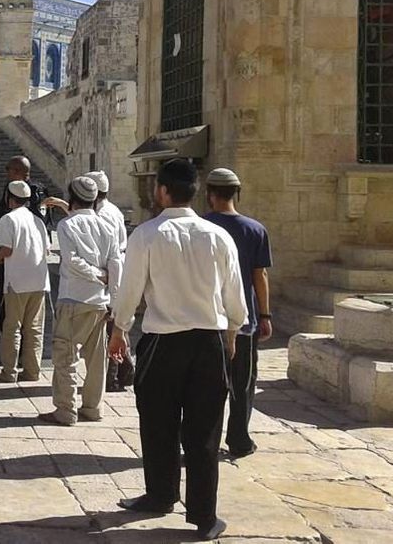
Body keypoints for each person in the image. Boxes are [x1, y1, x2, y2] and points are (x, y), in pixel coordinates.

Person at [109, 159, 248, 542]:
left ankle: (161, 494)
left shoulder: (147, 235)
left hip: (162, 342)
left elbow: (130, 290)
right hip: (207, 342)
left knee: (157, 422)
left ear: (163, 191)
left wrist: (119, 330)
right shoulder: (218, 236)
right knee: (205, 431)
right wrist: (233, 330)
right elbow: (233, 293)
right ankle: (204, 516)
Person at [38, 176, 122, 426]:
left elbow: (71, 260)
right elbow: (116, 263)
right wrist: (114, 300)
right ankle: (93, 407)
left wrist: (97, 275)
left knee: (66, 355)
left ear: (72, 197)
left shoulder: (67, 225)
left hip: (74, 297)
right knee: (97, 359)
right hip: (99, 301)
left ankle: (65, 409)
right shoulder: (106, 226)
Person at [203, 168, 273, 460]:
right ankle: (239, 439)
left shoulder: (202, 227)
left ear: (209, 194)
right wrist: (265, 315)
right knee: (242, 383)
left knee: (207, 386)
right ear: (237, 193)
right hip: (244, 321)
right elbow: (260, 276)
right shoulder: (255, 230)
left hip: (208, 319)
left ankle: (204, 440)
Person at [0, 181, 50, 383]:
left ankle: (9, 371)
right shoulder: (38, 220)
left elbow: (6, 250)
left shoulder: (8, 219)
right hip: (39, 281)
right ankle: (32, 371)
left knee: (12, 327)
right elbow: (47, 250)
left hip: (17, 281)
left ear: (9, 198)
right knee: (34, 328)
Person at [84, 170, 131, 392]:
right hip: (114, 268)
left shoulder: (104, 214)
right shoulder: (112, 210)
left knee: (111, 326)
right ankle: (126, 370)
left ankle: (113, 377)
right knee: (115, 325)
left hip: (111, 270)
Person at [0, 156, 49, 323]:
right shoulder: (13, 188)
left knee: (12, 319)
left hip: (16, 258)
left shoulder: (33, 192)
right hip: (20, 256)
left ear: (17, 171)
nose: (6, 173)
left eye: (8, 169)